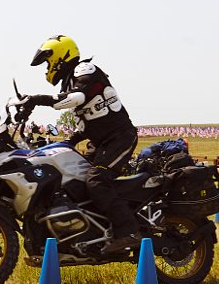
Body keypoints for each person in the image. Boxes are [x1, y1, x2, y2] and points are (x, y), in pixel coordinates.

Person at [18, 35, 140, 254]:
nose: (47, 68)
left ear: (60, 56)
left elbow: (77, 97)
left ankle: (129, 231)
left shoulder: (85, 70)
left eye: (48, 62)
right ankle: (96, 232)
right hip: (101, 142)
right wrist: (69, 142)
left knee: (96, 181)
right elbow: (89, 121)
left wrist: (36, 99)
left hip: (120, 138)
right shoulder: (70, 80)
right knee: (74, 179)